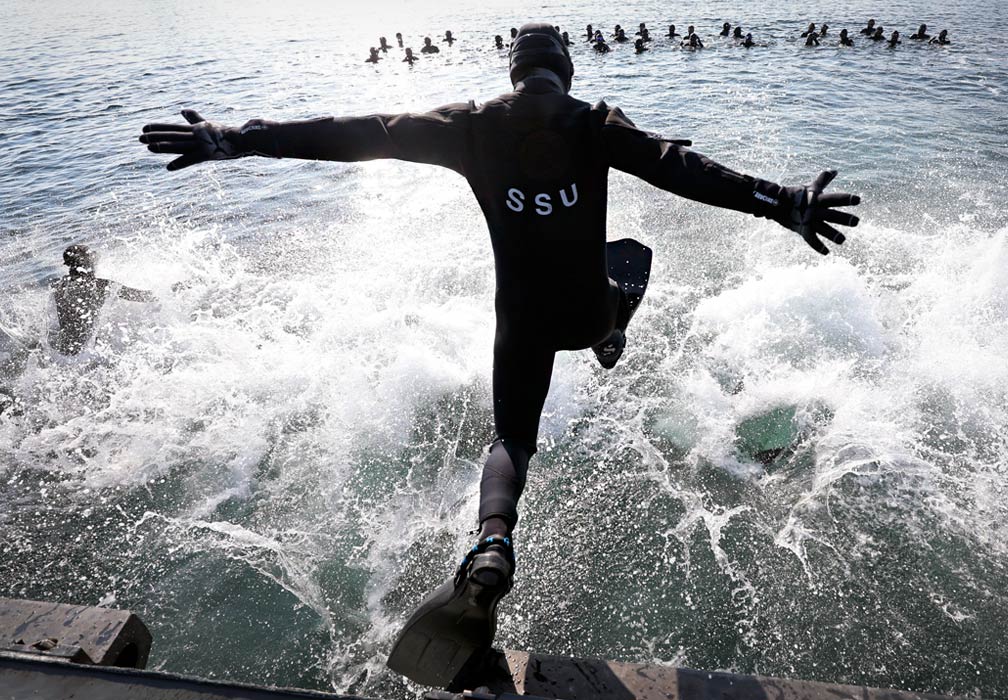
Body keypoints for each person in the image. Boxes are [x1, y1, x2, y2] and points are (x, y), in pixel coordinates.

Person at [138, 22, 860, 685]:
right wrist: (781, 203)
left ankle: (492, 544)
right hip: (583, 309)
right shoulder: (595, 123)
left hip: (520, 319)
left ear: (513, 74)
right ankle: (614, 333)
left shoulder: (470, 126)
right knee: (632, 256)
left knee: (512, 436)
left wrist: (241, 137)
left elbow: (363, 132)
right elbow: (682, 167)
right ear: (566, 73)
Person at [49, 245, 155, 356]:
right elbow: (143, 297)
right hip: (83, 354)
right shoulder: (101, 285)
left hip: (60, 350)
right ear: (89, 264)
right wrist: (168, 290)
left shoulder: (58, 285)